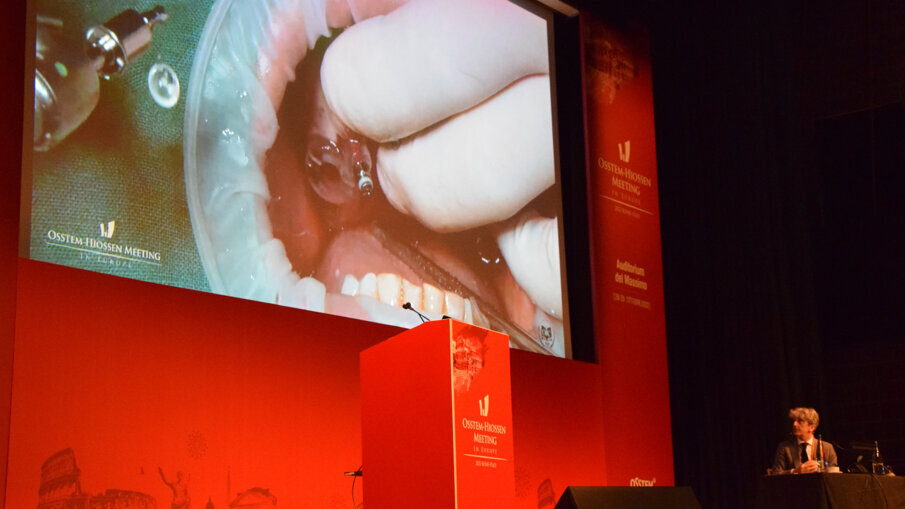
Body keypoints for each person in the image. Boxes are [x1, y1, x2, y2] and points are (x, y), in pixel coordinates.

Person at [771, 407, 838, 474]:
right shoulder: (784, 447)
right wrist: (795, 471)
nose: (794, 424)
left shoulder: (827, 448)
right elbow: (775, 474)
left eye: (800, 421)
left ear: (812, 427)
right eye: (794, 421)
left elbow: (834, 476)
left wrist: (821, 469)